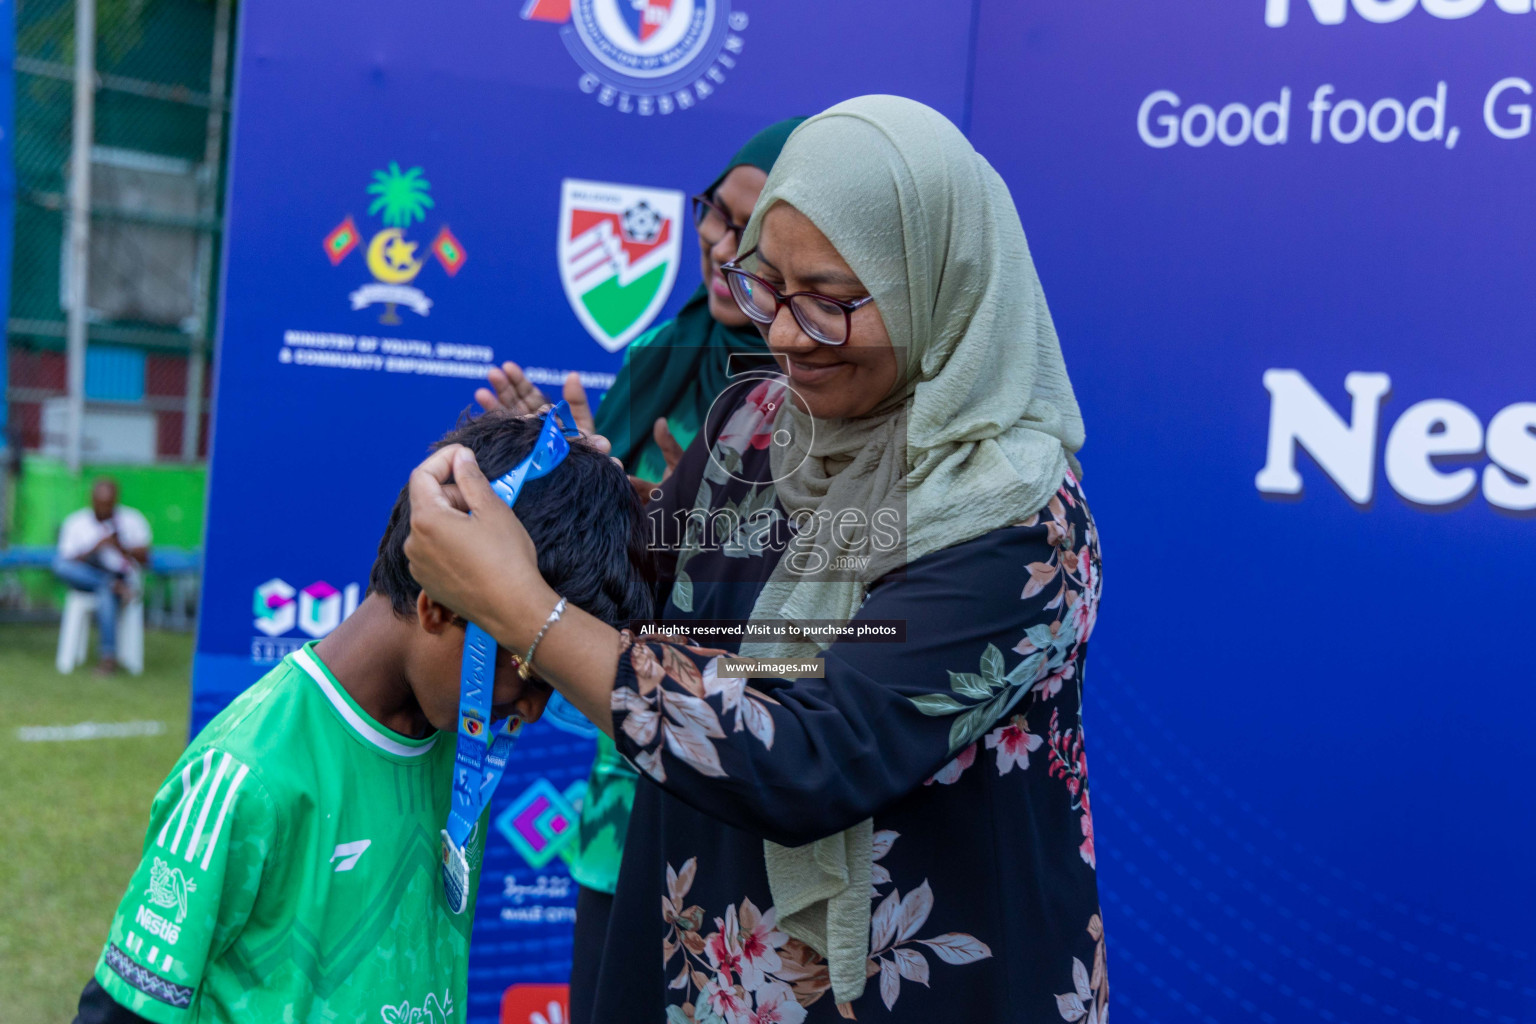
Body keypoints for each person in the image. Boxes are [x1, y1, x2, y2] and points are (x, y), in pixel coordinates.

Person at [407, 96, 1106, 1022]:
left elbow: (815, 749)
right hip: (709, 957)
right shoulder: (756, 427)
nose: (778, 334)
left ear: (939, 286)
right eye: (764, 285)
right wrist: (560, 500)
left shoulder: (1016, 524)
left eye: (827, 302)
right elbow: (664, 597)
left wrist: (522, 606)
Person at [72, 411, 654, 1024]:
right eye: (532, 670)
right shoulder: (247, 773)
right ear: (439, 608)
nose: (534, 710)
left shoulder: (459, 740)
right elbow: (120, 1013)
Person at [474, 116, 805, 1023]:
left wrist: (713, 542)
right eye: (712, 211)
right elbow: (604, 589)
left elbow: (819, 645)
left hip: (758, 792)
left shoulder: (828, 402)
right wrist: (575, 482)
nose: (713, 240)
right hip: (629, 778)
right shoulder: (665, 358)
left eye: (746, 226)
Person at [54, 478, 152, 674]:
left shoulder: (131, 519)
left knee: (105, 593)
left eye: (108, 504)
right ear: (91, 500)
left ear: (116, 500)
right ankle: (112, 585)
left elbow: (146, 559)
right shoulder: (76, 522)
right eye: (100, 503)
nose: (104, 508)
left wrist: (120, 546)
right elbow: (68, 559)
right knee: (60, 566)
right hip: (85, 576)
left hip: (120, 575)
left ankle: (107, 658)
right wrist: (97, 547)